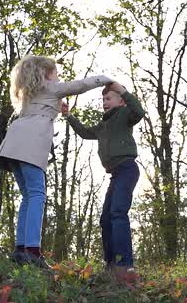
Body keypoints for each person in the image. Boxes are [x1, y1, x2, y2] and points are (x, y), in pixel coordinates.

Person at [0, 55, 114, 268]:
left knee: (28, 196)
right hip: (31, 144)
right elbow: (80, 85)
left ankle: (21, 250)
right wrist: (105, 79)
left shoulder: (29, 94)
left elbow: (42, 109)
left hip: (13, 143)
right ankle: (32, 250)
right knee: (37, 194)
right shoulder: (51, 87)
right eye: (55, 73)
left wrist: (60, 108)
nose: (57, 77)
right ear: (46, 74)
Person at [61, 82, 144, 275]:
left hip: (127, 169)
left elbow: (139, 112)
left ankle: (125, 264)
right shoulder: (103, 125)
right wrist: (68, 115)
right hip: (115, 174)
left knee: (117, 213)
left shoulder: (125, 115)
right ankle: (110, 264)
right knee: (105, 219)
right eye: (103, 99)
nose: (104, 102)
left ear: (121, 101)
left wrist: (123, 90)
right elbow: (84, 132)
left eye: (109, 98)